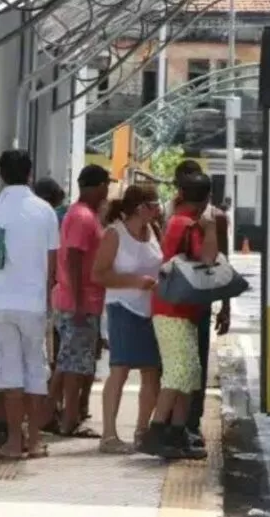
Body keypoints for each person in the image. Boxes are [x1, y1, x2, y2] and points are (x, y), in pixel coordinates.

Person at [0, 150, 60, 460]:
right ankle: (35, 442)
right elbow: (53, 264)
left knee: (9, 374)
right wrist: (46, 297)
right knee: (35, 369)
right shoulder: (45, 211)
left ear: (1, 174)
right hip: (34, 303)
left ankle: (12, 443)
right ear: (30, 173)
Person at [139, 172, 217, 460]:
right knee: (178, 372)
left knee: (190, 373)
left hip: (180, 309)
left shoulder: (178, 222)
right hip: (172, 311)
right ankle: (157, 430)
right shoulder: (187, 225)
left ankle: (177, 431)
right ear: (206, 199)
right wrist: (210, 230)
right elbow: (208, 261)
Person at [163, 160, 231, 449]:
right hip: (177, 303)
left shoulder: (214, 218)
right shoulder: (171, 215)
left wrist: (225, 305)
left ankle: (189, 423)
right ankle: (171, 426)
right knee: (179, 368)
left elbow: (222, 263)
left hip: (195, 303)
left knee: (196, 366)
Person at [92, 184, 163, 453]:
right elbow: (99, 274)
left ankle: (141, 430)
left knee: (151, 370)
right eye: (153, 205)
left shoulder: (154, 231)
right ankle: (109, 434)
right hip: (122, 305)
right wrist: (134, 281)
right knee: (120, 369)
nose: (157, 210)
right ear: (139, 208)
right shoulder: (115, 234)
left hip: (150, 308)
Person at [48, 164, 110, 438]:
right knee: (75, 365)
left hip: (80, 299)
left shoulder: (82, 215)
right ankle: (70, 420)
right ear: (99, 186)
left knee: (68, 362)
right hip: (79, 301)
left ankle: (48, 414)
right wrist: (77, 301)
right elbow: (73, 257)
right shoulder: (84, 217)